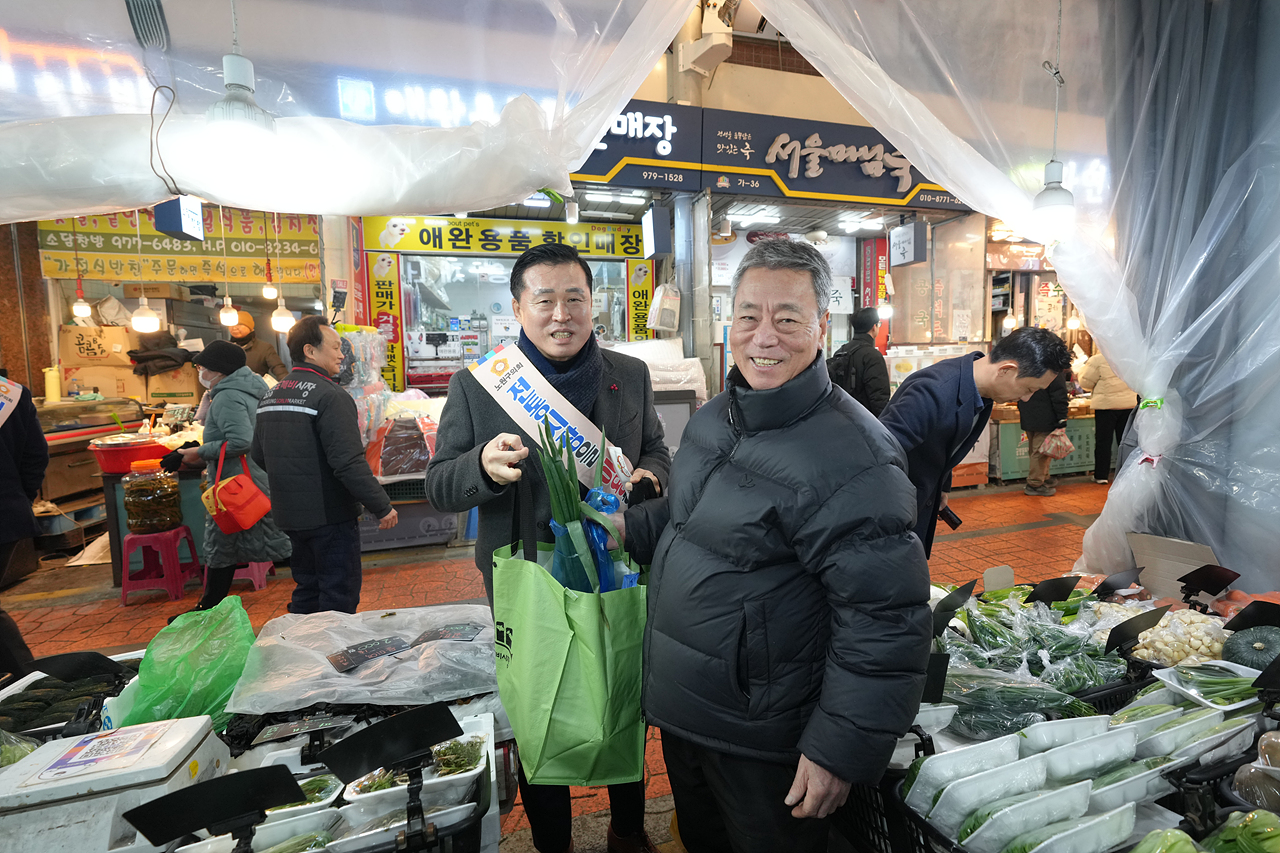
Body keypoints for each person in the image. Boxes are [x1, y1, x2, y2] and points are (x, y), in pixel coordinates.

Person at [616, 239, 932, 853]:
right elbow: (693, 520)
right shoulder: (715, 417)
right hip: (687, 716)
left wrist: (838, 749)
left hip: (766, 738)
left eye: (787, 319)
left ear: (821, 327)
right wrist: (631, 527)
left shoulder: (858, 458)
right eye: (749, 316)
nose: (764, 337)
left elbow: (884, 622)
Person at [426, 243, 670, 853]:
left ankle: (627, 829)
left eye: (574, 299)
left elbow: (656, 450)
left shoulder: (630, 374)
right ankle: (551, 842)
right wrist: (481, 466)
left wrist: (651, 475)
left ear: (592, 304)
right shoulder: (479, 386)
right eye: (545, 300)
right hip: (527, 574)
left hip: (616, 565)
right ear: (518, 308)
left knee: (623, 688)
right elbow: (439, 485)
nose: (562, 314)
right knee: (538, 703)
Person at [880, 327, 1072, 557]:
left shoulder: (981, 391)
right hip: (891, 514)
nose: (1026, 398)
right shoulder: (933, 391)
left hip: (918, 503)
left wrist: (942, 485)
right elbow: (878, 454)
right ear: (1006, 370)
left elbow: (944, 443)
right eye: (1029, 389)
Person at [251, 316, 398, 614]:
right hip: (329, 515)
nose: (342, 354)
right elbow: (347, 462)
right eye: (335, 347)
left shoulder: (271, 395)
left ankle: (301, 642)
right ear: (310, 350)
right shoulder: (330, 395)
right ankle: (332, 645)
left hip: (290, 513)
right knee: (337, 594)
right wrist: (381, 506)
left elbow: (258, 454)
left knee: (307, 587)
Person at [177, 341, 291, 613]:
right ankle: (208, 605)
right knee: (232, 543)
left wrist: (199, 452)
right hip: (252, 477)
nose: (200, 372)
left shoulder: (227, 396)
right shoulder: (250, 388)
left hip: (235, 484)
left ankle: (208, 607)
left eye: (202, 367)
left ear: (218, 370)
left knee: (229, 541)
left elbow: (241, 440)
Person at [0, 371, 46, 676]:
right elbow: (36, 456)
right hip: (8, 514)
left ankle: (28, 680)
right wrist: (18, 498)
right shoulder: (10, 393)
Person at [1079, 351, 1137, 484]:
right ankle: (1126, 474)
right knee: (1125, 442)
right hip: (1128, 404)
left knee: (1103, 442)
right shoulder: (1130, 357)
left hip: (1106, 406)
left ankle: (1101, 475)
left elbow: (1085, 382)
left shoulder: (1098, 360)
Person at [826, 305, 890, 415]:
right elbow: (879, 398)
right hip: (865, 418)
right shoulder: (873, 356)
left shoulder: (841, 351)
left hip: (842, 415)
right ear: (874, 327)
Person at [1017, 371, 1069, 496]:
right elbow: (1059, 396)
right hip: (1046, 416)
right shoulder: (1054, 372)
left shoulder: (1030, 367)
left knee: (1034, 449)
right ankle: (1034, 484)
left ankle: (1044, 476)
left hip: (1028, 414)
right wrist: (1062, 418)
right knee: (1040, 453)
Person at [229, 310, 288, 381]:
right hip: (228, 387)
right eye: (231, 324)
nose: (234, 328)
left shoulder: (264, 348)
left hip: (256, 386)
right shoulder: (225, 349)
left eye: (239, 324)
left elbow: (279, 369)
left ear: (250, 327)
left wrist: (287, 383)